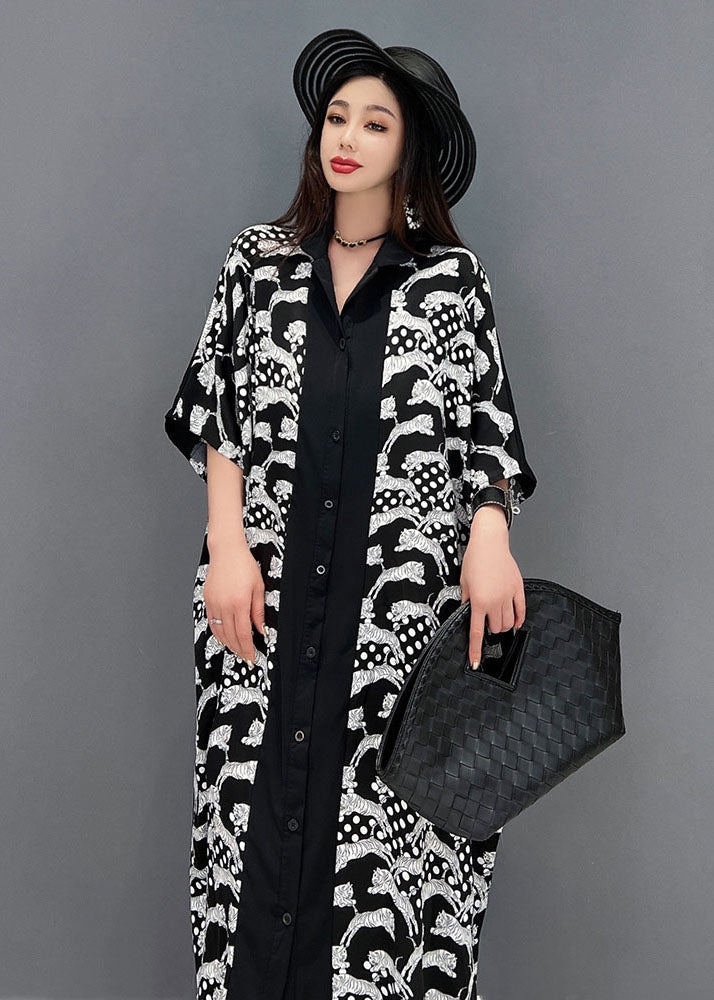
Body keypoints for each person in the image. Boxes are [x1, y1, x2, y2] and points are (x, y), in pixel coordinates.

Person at [164, 27, 538, 1000]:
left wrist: (490, 535)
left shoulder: (452, 284)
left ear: (408, 149)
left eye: (375, 123)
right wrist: (226, 547)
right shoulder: (257, 264)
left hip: (393, 632)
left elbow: (487, 436)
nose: (348, 137)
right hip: (262, 612)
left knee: (387, 869)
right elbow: (218, 416)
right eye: (338, 117)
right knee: (248, 851)